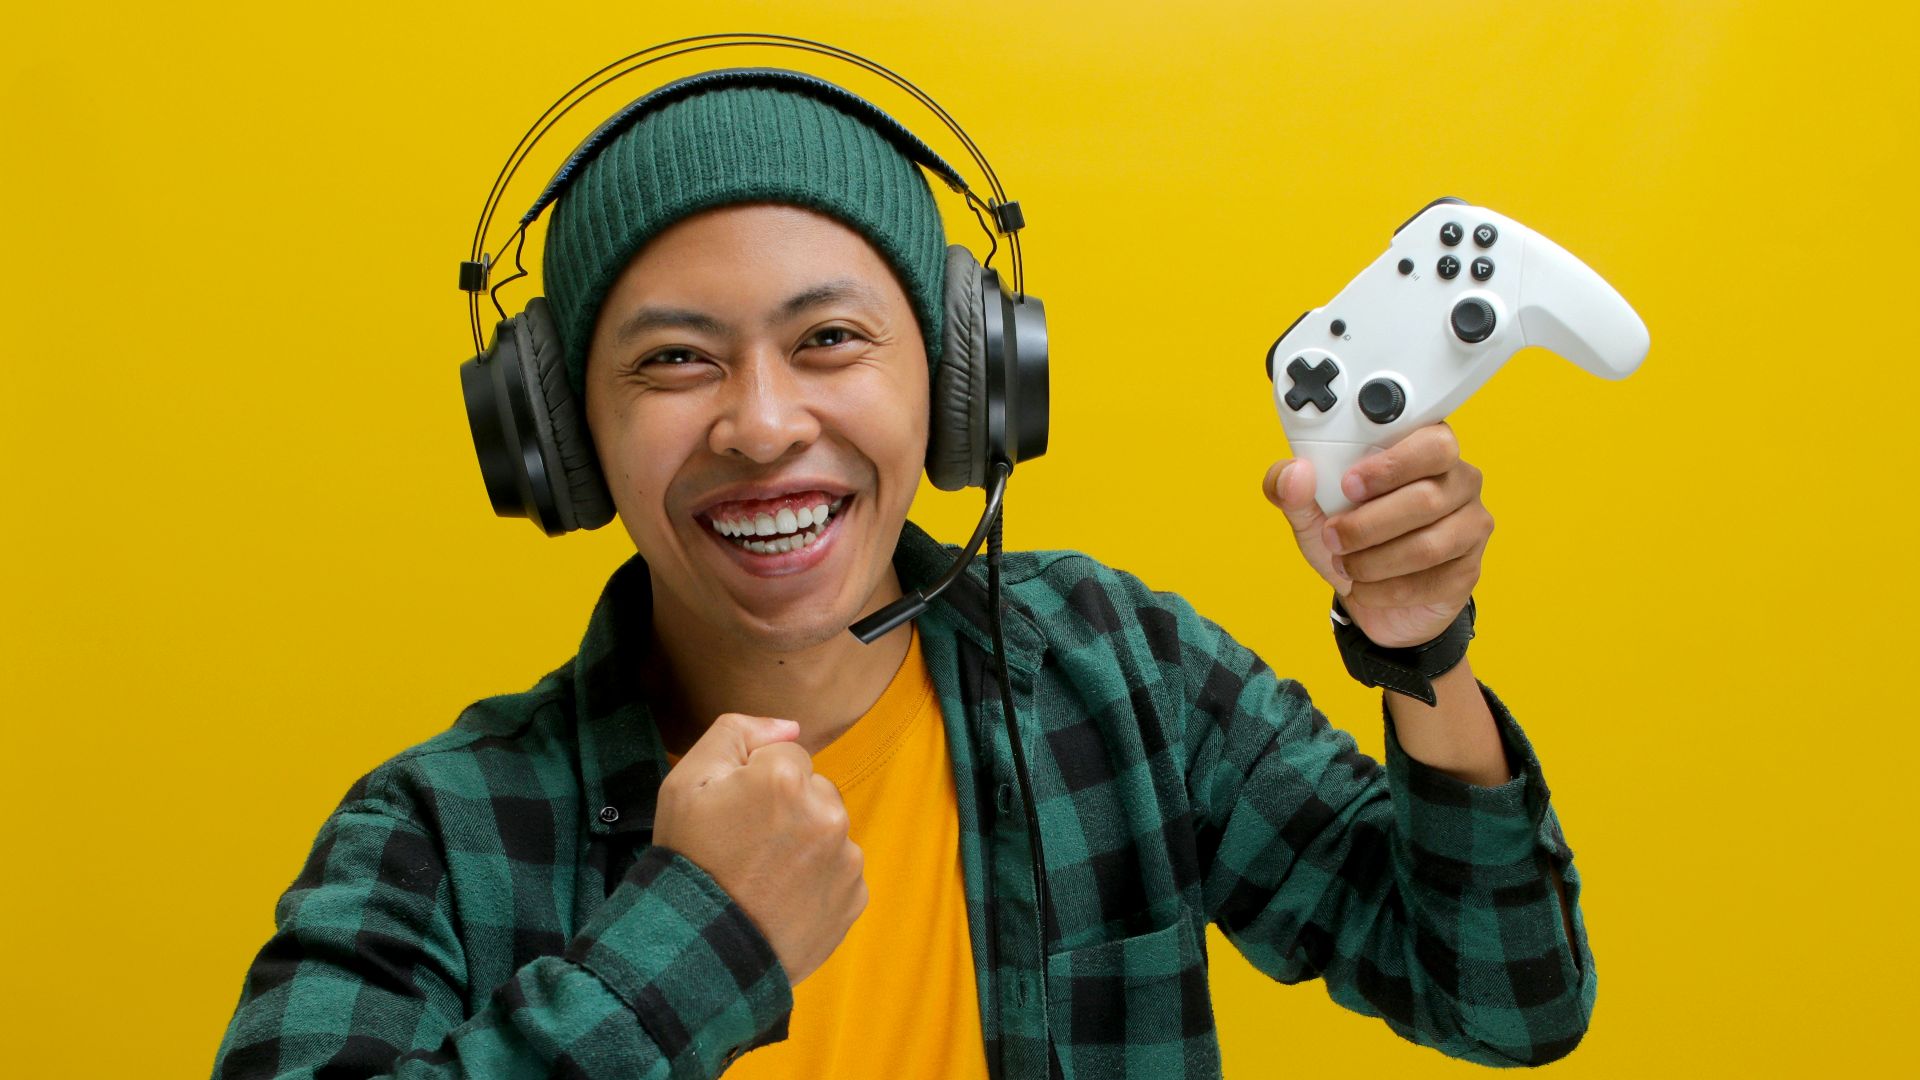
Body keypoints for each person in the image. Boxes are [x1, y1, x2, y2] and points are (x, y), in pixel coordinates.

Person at [212, 76, 1595, 1079]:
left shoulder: (1119, 678)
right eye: (674, 359)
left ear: (961, 389)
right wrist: (700, 939)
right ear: (563, 440)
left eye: (828, 340)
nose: (760, 425)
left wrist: (1419, 653)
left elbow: (1506, 1000)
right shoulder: (440, 832)